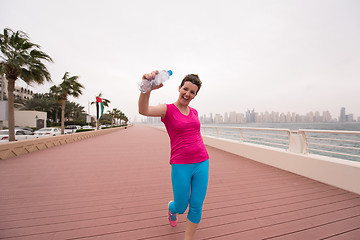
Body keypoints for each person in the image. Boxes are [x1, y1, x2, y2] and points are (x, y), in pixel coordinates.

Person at [138, 70, 209, 240]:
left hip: (202, 162)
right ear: (179, 88)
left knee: (196, 206)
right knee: (181, 205)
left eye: (192, 92)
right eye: (186, 89)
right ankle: (171, 208)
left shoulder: (194, 112)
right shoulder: (167, 110)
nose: (188, 94)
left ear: (195, 95)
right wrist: (148, 89)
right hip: (181, 165)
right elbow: (143, 110)